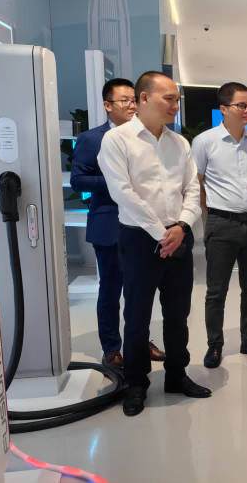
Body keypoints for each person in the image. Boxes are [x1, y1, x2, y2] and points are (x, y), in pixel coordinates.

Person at [99, 71, 209, 417]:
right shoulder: (118, 140)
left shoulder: (180, 144)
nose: (175, 105)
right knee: (136, 315)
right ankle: (136, 383)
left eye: (177, 99)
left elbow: (192, 189)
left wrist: (182, 226)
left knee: (178, 314)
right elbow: (122, 193)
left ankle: (177, 374)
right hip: (139, 238)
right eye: (169, 99)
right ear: (143, 98)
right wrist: (162, 232)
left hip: (178, 237)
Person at [71, 78, 166, 369]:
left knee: (139, 291)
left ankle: (140, 342)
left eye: (134, 99)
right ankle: (112, 348)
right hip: (109, 225)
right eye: (125, 100)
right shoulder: (92, 139)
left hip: (142, 224)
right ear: (107, 105)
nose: (132, 105)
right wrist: (116, 182)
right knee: (111, 290)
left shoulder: (146, 136)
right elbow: (78, 180)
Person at [192, 82, 247, 369]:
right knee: (216, 292)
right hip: (221, 223)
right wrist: (212, 214)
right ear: (223, 109)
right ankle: (214, 345)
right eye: (241, 105)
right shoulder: (205, 141)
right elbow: (196, 183)